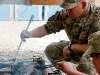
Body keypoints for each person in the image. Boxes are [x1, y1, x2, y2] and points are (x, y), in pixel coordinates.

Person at [20, 0, 100, 74]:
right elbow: (46, 28)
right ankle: (70, 71)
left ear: (83, 4)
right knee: (51, 50)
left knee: (86, 64)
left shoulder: (97, 17)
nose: (67, 11)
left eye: (71, 8)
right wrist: (30, 34)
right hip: (74, 49)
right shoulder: (66, 14)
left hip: (94, 53)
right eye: (66, 7)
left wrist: (72, 47)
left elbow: (97, 47)